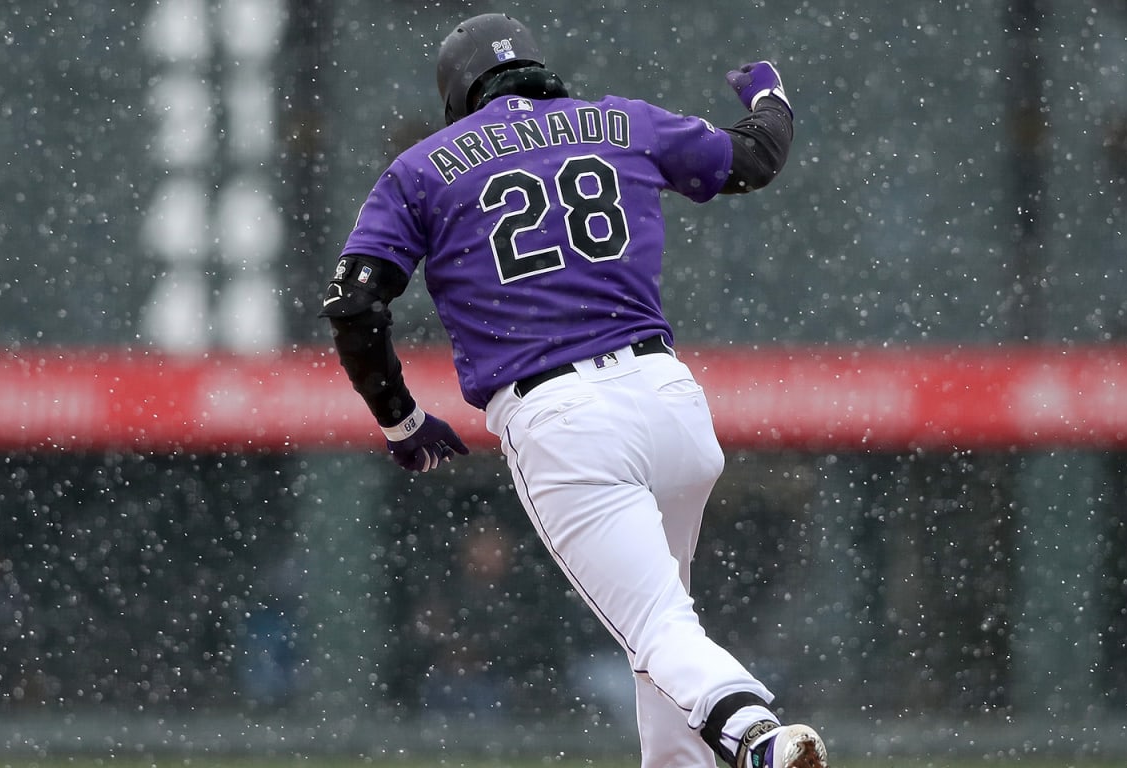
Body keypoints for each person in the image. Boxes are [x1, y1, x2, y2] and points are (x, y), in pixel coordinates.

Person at [320, 12, 826, 768]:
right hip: (672, 403)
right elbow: (755, 158)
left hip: (564, 417)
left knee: (657, 628)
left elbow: (356, 304)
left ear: (458, 92)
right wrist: (771, 96)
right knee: (660, 635)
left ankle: (757, 737)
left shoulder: (423, 167)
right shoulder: (619, 120)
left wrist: (398, 418)